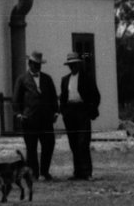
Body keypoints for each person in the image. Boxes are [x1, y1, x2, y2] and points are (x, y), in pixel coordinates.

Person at [14, 50, 60, 179]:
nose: (37, 67)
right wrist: (18, 114)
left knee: (49, 144)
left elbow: (53, 96)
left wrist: (56, 112)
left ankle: (45, 172)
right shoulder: (22, 79)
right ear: (29, 64)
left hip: (46, 119)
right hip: (29, 119)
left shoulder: (47, 78)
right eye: (35, 64)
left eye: (39, 65)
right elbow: (16, 98)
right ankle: (34, 173)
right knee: (31, 148)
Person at [60, 51, 102, 179]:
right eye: (70, 65)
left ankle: (87, 172)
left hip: (82, 111)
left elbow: (96, 96)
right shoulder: (65, 80)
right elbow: (63, 98)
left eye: (74, 64)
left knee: (83, 142)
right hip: (70, 112)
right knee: (73, 143)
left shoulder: (87, 78)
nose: (72, 67)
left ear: (78, 64)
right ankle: (77, 172)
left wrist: (90, 110)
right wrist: (63, 111)